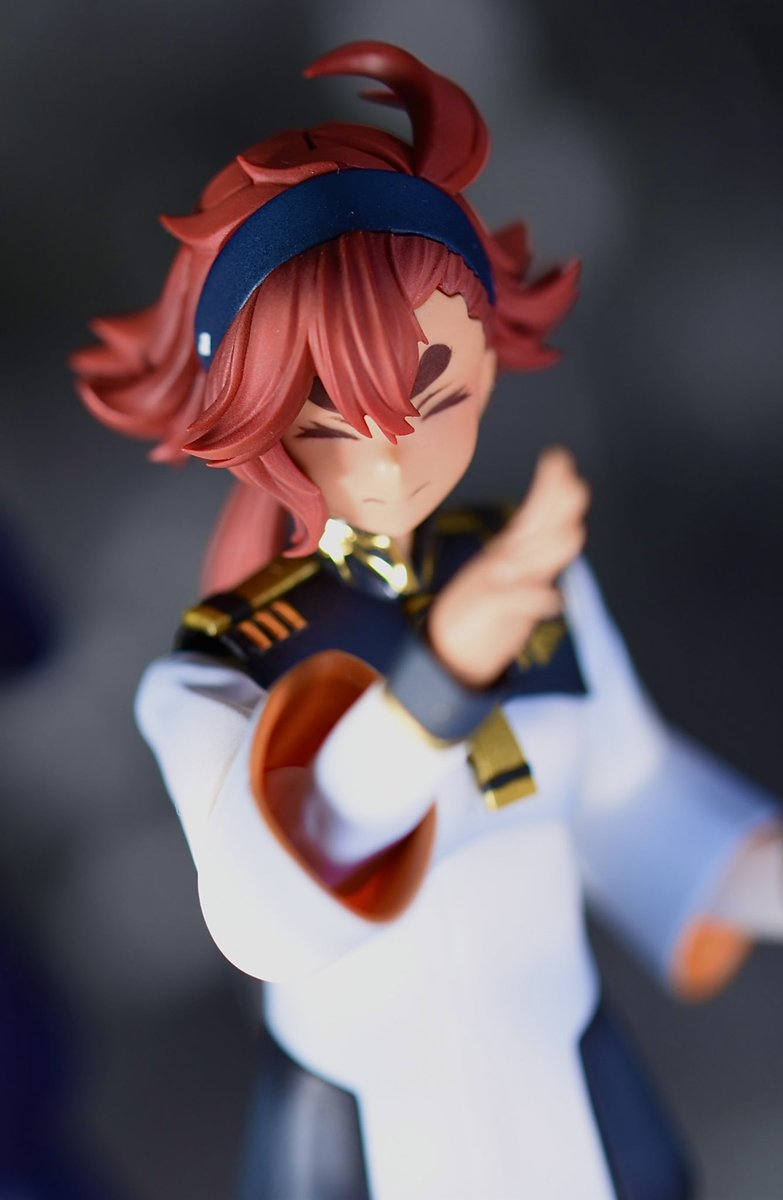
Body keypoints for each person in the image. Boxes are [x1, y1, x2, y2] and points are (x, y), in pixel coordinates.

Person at [72, 40, 782, 1200]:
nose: (390, 456)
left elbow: (632, 798)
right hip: (371, 1129)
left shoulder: (533, 581)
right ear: (252, 411)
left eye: (432, 392)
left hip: (568, 1094)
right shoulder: (218, 672)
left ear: (489, 362)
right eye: (330, 415)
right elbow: (265, 914)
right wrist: (440, 681)